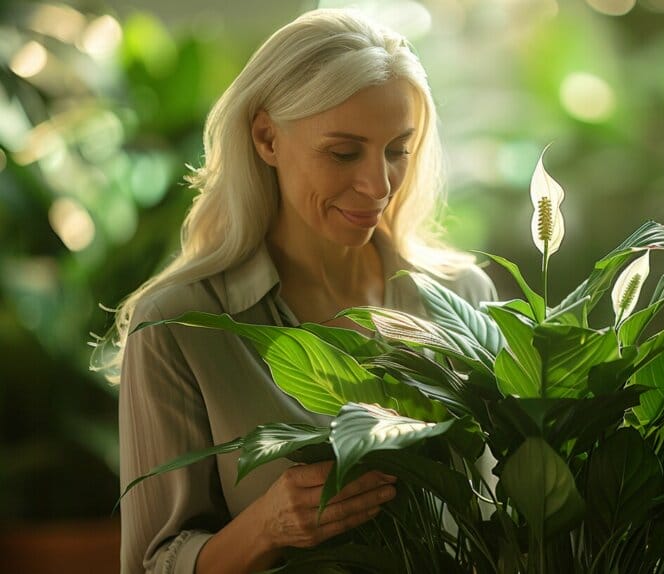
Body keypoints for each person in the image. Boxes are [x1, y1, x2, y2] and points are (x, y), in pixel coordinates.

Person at [102, 9, 496, 574]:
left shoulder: (465, 299)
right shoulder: (180, 325)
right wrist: (266, 527)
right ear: (266, 137)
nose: (378, 185)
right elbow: (150, 564)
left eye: (396, 149)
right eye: (343, 153)